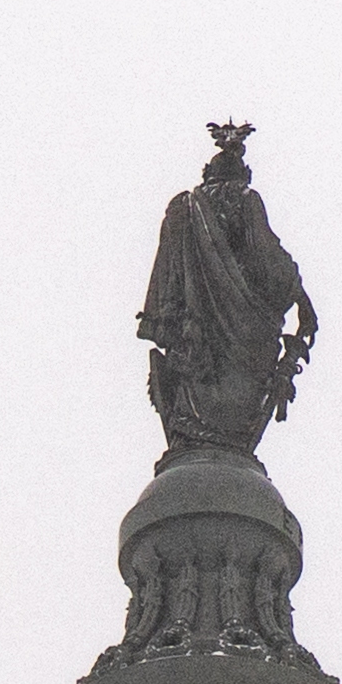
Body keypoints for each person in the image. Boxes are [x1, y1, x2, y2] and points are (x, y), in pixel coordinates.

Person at [136, 121, 319, 458]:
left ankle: (195, 437)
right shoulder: (245, 200)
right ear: (243, 175)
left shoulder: (183, 209)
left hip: (195, 341)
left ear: (207, 174)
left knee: (198, 385)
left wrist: (168, 322)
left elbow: (166, 278)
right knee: (238, 394)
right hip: (245, 333)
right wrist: (301, 299)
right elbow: (269, 258)